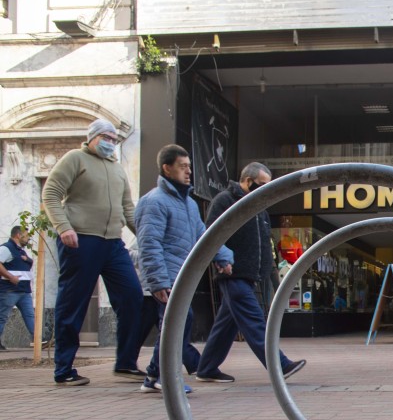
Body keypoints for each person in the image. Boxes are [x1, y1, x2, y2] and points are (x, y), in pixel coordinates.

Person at [41, 118, 144, 386]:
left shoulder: (117, 169)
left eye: (114, 139)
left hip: (113, 243)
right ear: (92, 137)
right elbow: (51, 192)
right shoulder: (75, 158)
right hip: (80, 240)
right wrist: (63, 227)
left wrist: (144, 236)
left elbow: (128, 208)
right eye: (106, 138)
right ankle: (64, 370)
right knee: (73, 305)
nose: (110, 143)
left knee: (133, 296)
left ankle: (125, 363)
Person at [134, 145, 234, 393]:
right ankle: (164, 377)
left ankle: (154, 376)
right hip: (166, 277)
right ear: (167, 169)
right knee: (177, 322)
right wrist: (157, 281)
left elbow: (204, 236)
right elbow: (149, 244)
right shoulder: (154, 201)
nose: (188, 171)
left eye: (190, 166)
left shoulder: (188, 204)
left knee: (175, 323)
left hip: (180, 277)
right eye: (182, 167)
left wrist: (222, 256)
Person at [195, 162, 306, 383]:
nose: (266, 189)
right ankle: (279, 365)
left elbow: (265, 245)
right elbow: (210, 234)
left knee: (226, 324)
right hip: (232, 271)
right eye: (262, 184)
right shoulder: (225, 201)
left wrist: (270, 275)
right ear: (247, 181)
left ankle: (206, 368)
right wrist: (220, 259)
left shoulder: (260, 208)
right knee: (255, 321)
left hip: (251, 275)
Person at [0, 226, 36, 349]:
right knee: (2, 317)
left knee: (30, 315)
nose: (28, 239)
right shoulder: (6, 248)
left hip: (24, 291)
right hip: (9, 290)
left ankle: (39, 341)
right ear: (18, 235)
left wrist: (28, 259)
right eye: (26, 236)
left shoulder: (20, 251)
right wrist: (10, 277)